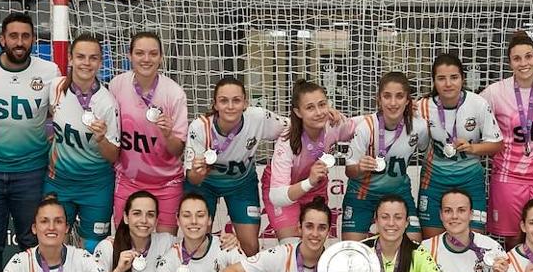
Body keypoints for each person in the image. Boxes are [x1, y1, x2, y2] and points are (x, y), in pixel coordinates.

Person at [0, 12, 58, 266]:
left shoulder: (50, 71)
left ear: (33, 39)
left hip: (32, 172)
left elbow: (61, 114)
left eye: (25, 36)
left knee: (31, 241)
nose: (19, 42)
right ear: (1, 39)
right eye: (13, 36)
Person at [184, 76, 287, 256]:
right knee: (198, 244)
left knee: (250, 247)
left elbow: (293, 127)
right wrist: (198, 171)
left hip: (241, 184)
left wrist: (327, 118)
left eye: (236, 100)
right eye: (224, 101)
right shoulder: (199, 128)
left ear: (245, 103)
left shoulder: (258, 118)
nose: (230, 106)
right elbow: (192, 178)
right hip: (205, 185)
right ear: (215, 104)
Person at [481, 31, 533, 248]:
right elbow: (472, 113)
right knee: (515, 239)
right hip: (510, 176)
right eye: (517, 58)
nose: (524, 63)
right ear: (510, 62)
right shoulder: (494, 92)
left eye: (528, 56)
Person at [45, 33, 121, 251]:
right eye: (80, 57)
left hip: (95, 187)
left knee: (93, 251)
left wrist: (100, 139)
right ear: (70, 59)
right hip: (58, 181)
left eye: (93, 58)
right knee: (52, 245)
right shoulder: (56, 88)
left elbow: (113, 155)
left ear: (100, 62)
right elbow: (47, 119)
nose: (86, 63)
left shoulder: (107, 103)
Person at [415, 53, 503, 239]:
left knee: (473, 243)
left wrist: (473, 148)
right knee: (432, 247)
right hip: (434, 181)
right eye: (441, 78)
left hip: (470, 181)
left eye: (454, 77)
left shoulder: (478, 103)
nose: (448, 84)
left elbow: (497, 145)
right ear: (434, 81)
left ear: (463, 78)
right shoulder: (422, 107)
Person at [108, 31, 188, 234]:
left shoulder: (174, 93)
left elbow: (177, 151)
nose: (146, 59)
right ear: (130, 55)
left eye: (153, 53)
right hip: (128, 180)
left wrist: (168, 134)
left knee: (165, 247)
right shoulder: (117, 85)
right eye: (139, 53)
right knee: (124, 243)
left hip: (167, 183)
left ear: (161, 57)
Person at [263, 79, 355, 241]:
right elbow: (277, 196)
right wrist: (310, 181)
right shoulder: (287, 142)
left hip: (314, 188)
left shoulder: (334, 124)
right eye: (310, 108)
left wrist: (405, 112)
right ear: (298, 112)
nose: (319, 112)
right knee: (291, 247)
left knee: (315, 241)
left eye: (322, 104)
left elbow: (364, 126)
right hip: (286, 190)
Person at [343, 72, 429, 242]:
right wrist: (359, 167)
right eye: (387, 96)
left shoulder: (419, 127)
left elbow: (427, 151)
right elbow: (349, 171)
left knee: (414, 244)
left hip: (399, 194)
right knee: (351, 250)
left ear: (407, 100)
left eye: (399, 96)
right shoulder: (366, 127)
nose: (393, 103)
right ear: (379, 99)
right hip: (362, 195)